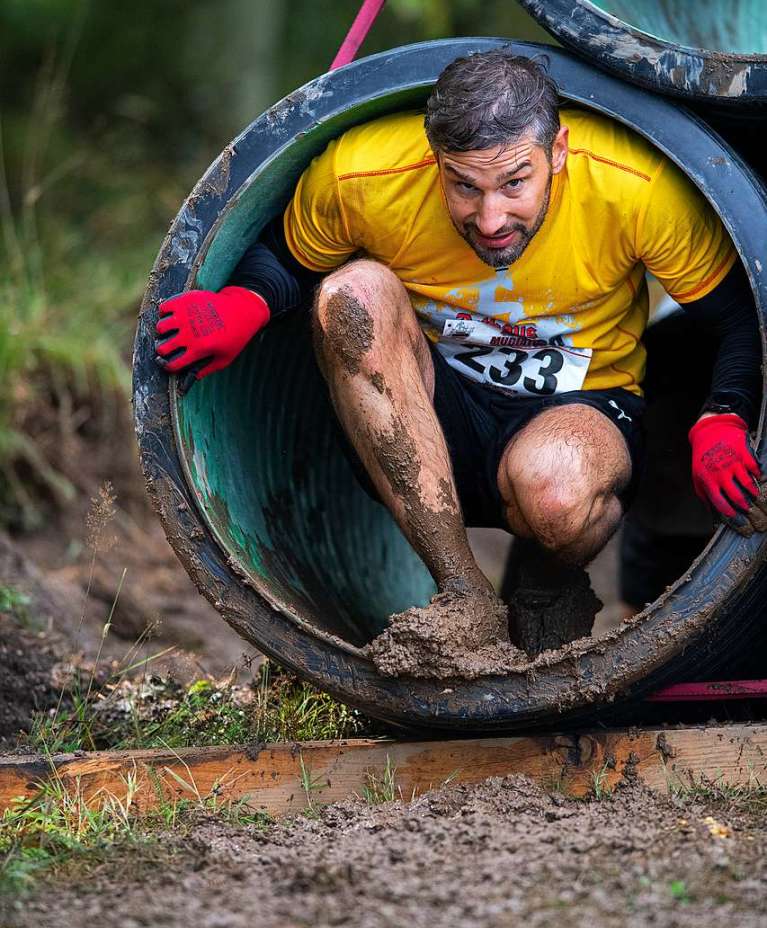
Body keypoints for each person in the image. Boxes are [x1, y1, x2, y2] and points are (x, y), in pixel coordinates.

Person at [154, 48, 765, 676]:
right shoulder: (365, 173)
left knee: (553, 494)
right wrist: (242, 304)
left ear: (557, 151)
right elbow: (287, 259)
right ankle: (464, 599)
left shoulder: (633, 185)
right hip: (427, 410)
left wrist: (723, 416)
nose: (491, 218)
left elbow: (741, 318)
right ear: (432, 156)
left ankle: (546, 579)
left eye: (515, 183)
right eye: (463, 186)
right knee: (352, 292)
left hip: (582, 407)